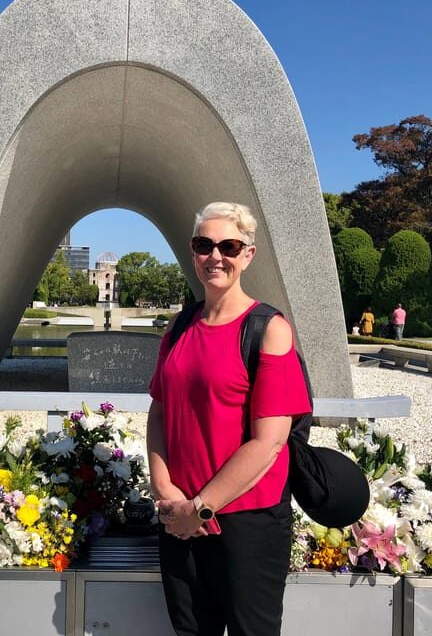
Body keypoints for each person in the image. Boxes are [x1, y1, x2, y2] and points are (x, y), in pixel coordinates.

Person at [147, 201, 312, 636]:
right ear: (193, 251)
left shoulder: (268, 329)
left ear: (247, 255)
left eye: (229, 246)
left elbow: (269, 442)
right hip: (179, 516)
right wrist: (166, 490)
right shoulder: (178, 328)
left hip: (246, 520)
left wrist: (200, 509)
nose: (215, 256)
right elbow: (159, 412)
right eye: (205, 245)